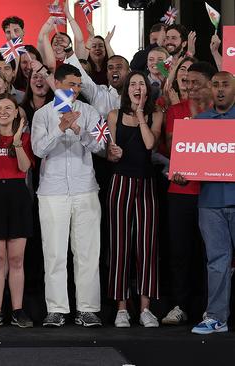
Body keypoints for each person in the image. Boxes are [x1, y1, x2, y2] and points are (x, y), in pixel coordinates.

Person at [31, 64, 106, 327]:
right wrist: (61, 128)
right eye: (71, 84)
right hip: (52, 192)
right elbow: (39, 150)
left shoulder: (89, 111)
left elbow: (101, 146)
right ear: (58, 84)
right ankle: (57, 309)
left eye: (78, 86)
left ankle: (87, 308)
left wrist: (78, 130)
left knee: (87, 251)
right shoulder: (42, 115)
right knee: (54, 252)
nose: (75, 90)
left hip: (85, 187)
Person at [161, 62, 217, 325]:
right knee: (180, 252)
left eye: (196, 82)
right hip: (180, 190)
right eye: (187, 82)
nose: (191, 87)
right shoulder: (175, 111)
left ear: (209, 84)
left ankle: (210, 307)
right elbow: (174, 147)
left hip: (212, 192)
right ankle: (180, 305)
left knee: (211, 253)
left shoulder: (222, 113)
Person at [106, 71, 163, 328]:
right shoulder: (114, 116)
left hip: (147, 184)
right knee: (120, 245)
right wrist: (113, 153)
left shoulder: (155, 115)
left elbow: (150, 144)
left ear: (147, 90)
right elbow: (110, 155)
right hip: (120, 183)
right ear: (126, 89)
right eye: (133, 84)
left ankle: (145, 308)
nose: (137, 88)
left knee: (146, 246)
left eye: (142, 84)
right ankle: (120, 308)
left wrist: (140, 114)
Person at [0, 93, 35, 328]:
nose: (2, 111)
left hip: (17, 195)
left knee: (16, 258)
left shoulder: (24, 137)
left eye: (8, 108)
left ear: (16, 112)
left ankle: (18, 310)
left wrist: (17, 143)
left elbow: (24, 167)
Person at [190, 71, 235, 335]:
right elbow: (190, 166)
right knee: (217, 261)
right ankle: (217, 317)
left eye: (225, 85)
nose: (220, 90)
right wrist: (183, 175)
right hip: (210, 204)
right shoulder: (199, 121)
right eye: (215, 85)